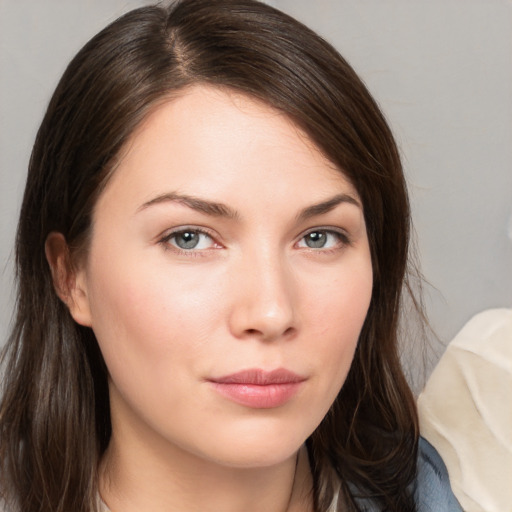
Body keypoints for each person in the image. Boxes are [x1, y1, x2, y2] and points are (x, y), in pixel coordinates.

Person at [0, 1, 462, 511]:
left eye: (319, 237)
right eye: (189, 238)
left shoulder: (426, 494)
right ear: (71, 276)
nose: (271, 313)